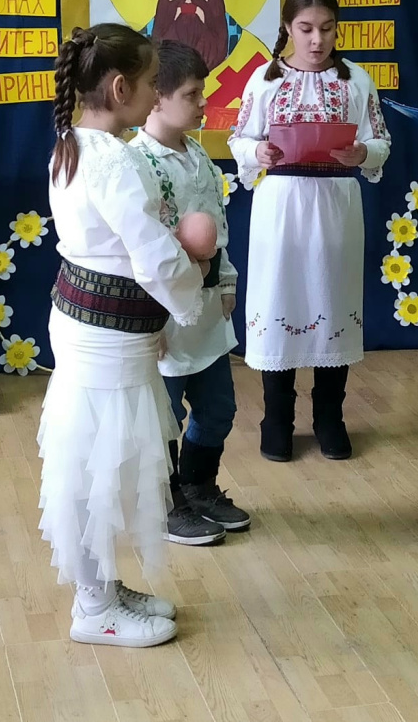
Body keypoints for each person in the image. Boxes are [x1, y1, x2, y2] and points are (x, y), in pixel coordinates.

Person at [39, 23, 207, 649]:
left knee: (102, 462)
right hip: (103, 338)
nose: (157, 92)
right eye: (152, 82)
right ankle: (93, 608)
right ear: (120, 88)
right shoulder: (112, 159)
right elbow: (152, 255)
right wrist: (192, 293)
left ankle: (103, 587)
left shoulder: (75, 143)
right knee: (96, 469)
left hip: (96, 326)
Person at [229, 0, 391, 462]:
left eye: (327, 28)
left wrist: (363, 152)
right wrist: (257, 151)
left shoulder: (356, 80)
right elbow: (240, 139)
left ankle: (329, 417)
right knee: (280, 297)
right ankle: (277, 418)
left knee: (332, 300)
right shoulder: (264, 79)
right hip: (281, 203)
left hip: (336, 202)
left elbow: (380, 140)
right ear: (287, 27)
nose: (317, 39)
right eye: (306, 28)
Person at [130, 39, 251, 547]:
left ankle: (197, 486)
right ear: (156, 97)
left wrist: (227, 280)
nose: (204, 102)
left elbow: (217, 227)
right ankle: (164, 502)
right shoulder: (137, 163)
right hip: (163, 315)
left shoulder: (199, 154)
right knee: (164, 418)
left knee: (218, 408)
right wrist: (148, 321)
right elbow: (139, 252)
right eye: (192, 94)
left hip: (206, 310)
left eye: (203, 91)